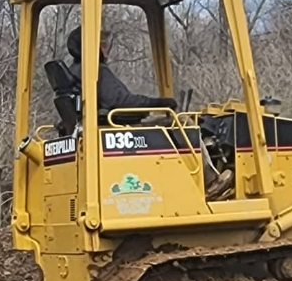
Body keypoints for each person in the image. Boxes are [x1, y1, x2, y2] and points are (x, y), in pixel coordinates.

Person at [66, 26, 233, 199]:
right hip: (116, 127)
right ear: (88, 46)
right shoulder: (95, 71)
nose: (106, 48)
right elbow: (122, 102)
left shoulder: (75, 72)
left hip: (105, 126)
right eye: (101, 44)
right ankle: (210, 182)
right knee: (180, 122)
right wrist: (160, 103)